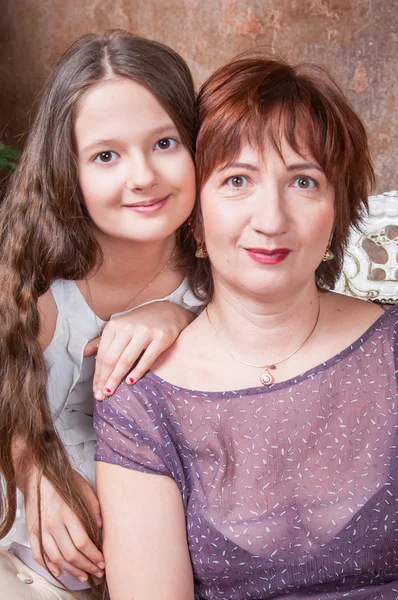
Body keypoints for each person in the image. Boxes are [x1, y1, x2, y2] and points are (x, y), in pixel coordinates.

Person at [95, 53, 398, 600]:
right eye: (237, 180)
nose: (271, 219)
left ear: (337, 212)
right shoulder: (140, 396)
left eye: (303, 182)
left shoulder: (391, 351)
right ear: (195, 220)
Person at [0, 29, 200, 599]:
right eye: (106, 155)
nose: (141, 176)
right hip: (21, 553)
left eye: (164, 143)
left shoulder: (220, 280)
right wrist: (32, 470)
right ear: (69, 170)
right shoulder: (38, 286)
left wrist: (181, 319)